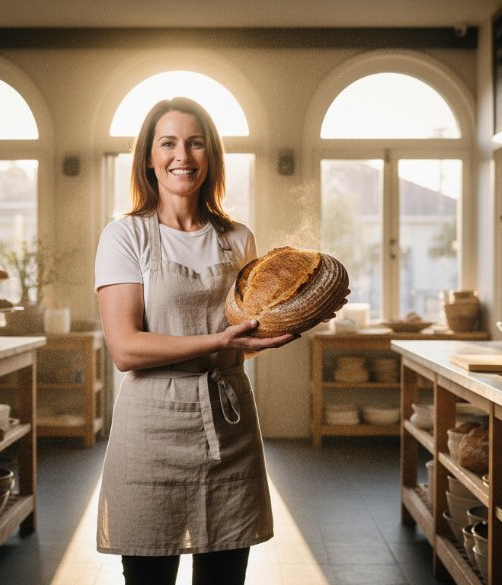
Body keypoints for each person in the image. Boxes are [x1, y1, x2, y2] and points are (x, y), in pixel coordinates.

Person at [94, 97, 343, 585]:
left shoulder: (237, 238)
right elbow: (126, 349)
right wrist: (219, 341)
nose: (181, 155)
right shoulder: (126, 236)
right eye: (168, 143)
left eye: (195, 142)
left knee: (226, 576)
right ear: (148, 156)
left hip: (228, 424)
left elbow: (255, 321)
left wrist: (301, 313)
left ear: (211, 156)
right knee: (148, 576)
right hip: (151, 428)